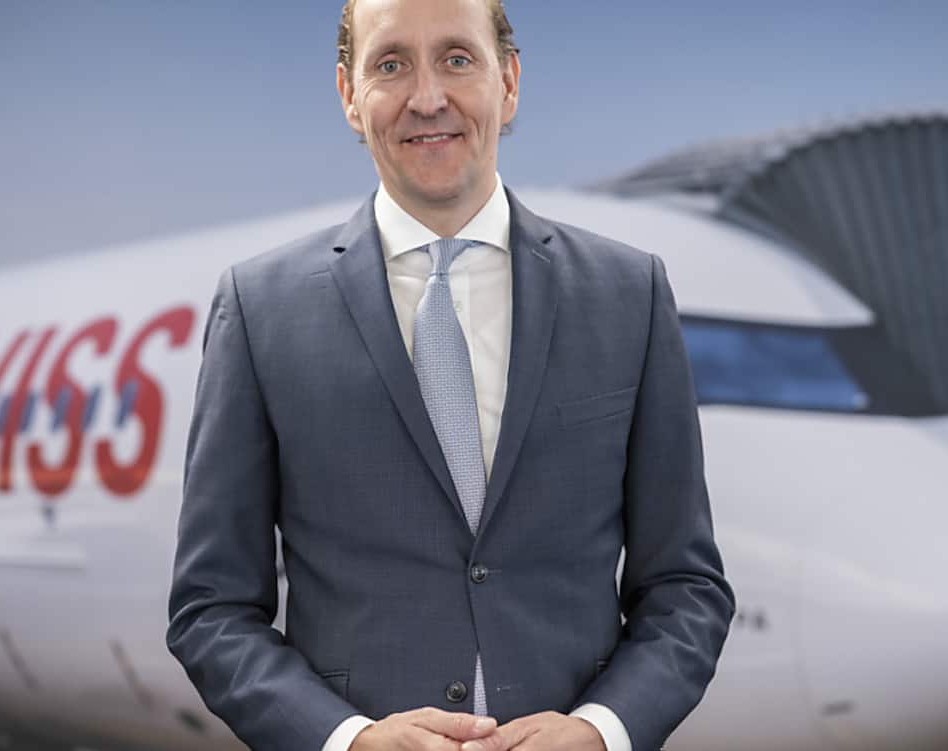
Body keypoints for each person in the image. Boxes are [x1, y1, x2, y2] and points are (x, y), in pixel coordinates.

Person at [165, 1, 736, 749]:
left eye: (457, 59)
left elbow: (686, 588)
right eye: (391, 64)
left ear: (509, 82)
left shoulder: (629, 294)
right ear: (349, 94)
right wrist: (348, 740)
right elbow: (210, 610)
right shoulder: (260, 308)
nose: (427, 97)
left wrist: (600, 731)